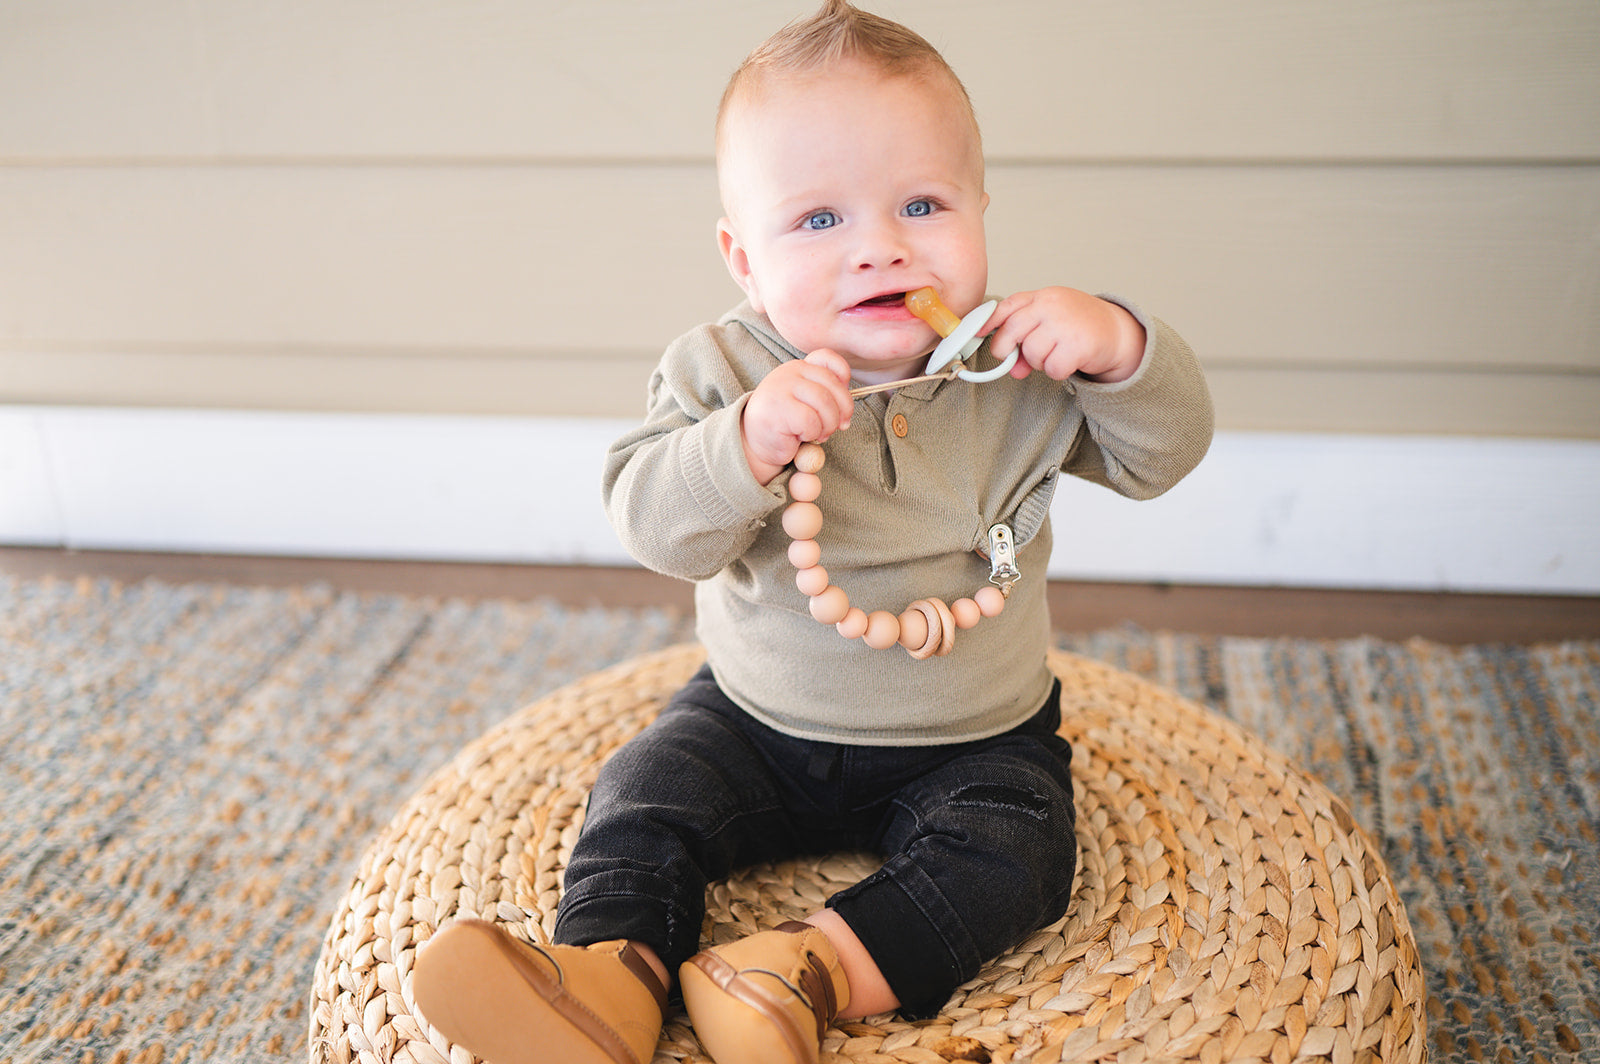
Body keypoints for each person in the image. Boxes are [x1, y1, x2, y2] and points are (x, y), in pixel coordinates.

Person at [413, 3, 1213, 1063]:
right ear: (743, 257)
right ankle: (609, 975)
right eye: (818, 221)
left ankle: (802, 967)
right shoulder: (721, 372)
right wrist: (739, 444)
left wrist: (1117, 346)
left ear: (981, 209)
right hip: (755, 715)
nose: (879, 247)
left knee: (1018, 852)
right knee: (644, 789)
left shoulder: (1018, 366)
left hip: (971, 735)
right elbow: (656, 523)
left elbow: (1161, 455)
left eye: (922, 204)